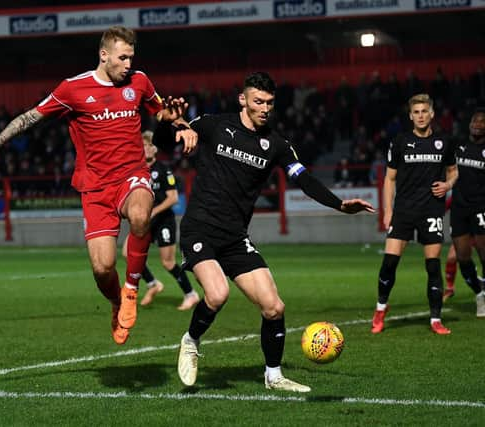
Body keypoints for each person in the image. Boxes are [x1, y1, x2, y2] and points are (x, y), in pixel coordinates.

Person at [0, 26, 197, 346]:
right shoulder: (73, 89)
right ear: (104, 55)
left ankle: (131, 288)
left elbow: (164, 115)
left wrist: (178, 124)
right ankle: (116, 300)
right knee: (102, 269)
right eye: (122, 57)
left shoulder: (139, 82)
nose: (128, 64)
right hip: (96, 189)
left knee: (142, 215)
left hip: (132, 174)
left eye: (131, 57)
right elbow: (30, 117)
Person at [166, 72, 374, 393]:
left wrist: (338, 204)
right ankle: (191, 341)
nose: (265, 108)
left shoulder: (277, 145)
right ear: (243, 100)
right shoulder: (214, 125)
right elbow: (170, 140)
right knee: (218, 294)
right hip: (200, 229)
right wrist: (174, 125)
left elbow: (303, 179)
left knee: (274, 307)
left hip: (235, 237)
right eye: (258, 101)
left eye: (270, 103)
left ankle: (274, 376)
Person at [371, 93, 458, 335]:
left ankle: (435, 319)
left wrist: (448, 186)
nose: (420, 116)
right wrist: (388, 211)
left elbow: (453, 172)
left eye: (424, 111)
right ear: (411, 116)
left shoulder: (444, 142)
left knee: (432, 266)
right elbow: (389, 179)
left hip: (431, 210)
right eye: (416, 112)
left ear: (431, 114)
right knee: (389, 263)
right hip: (404, 211)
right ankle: (380, 309)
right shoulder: (400, 142)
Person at [122, 130, 200, 310]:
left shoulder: (163, 170)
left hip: (164, 220)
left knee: (168, 262)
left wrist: (154, 211)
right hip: (144, 222)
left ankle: (191, 294)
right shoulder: (137, 171)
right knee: (128, 253)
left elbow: (173, 198)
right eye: (143, 146)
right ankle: (152, 284)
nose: (146, 149)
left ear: (155, 149)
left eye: (149, 145)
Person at [449, 108, 485, 316]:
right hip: (459, 208)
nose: (477, 124)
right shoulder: (458, 146)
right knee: (462, 257)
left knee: (483, 254)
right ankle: (479, 292)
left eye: (482, 122)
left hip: (481, 208)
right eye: (474, 120)